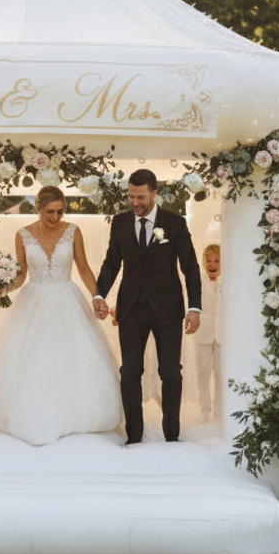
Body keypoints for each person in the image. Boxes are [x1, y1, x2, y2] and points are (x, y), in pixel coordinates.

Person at [0, 186, 122, 446]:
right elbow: (21, 274)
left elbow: (84, 268)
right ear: (39, 208)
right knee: (33, 357)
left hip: (67, 298)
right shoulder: (23, 234)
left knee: (69, 355)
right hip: (33, 301)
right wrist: (5, 287)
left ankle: (77, 414)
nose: (55, 217)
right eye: (49, 212)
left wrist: (98, 297)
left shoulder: (73, 231)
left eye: (60, 211)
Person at [94, 169, 202, 444]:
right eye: (131, 196)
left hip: (167, 307)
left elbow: (189, 267)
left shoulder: (175, 223)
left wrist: (195, 307)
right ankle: (133, 436)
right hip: (131, 308)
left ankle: (172, 435)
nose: (135, 202)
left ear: (154, 193)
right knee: (129, 372)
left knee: (170, 372)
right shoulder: (119, 223)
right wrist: (99, 295)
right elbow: (111, 262)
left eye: (141, 196)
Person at [194, 244, 222, 422]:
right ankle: (205, 408)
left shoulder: (228, 281)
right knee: (202, 371)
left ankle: (219, 409)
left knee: (220, 372)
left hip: (221, 334)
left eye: (217, 260)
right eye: (209, 260)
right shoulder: (197, 280)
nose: (213, 264)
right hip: (202, 333)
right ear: (203, 263)